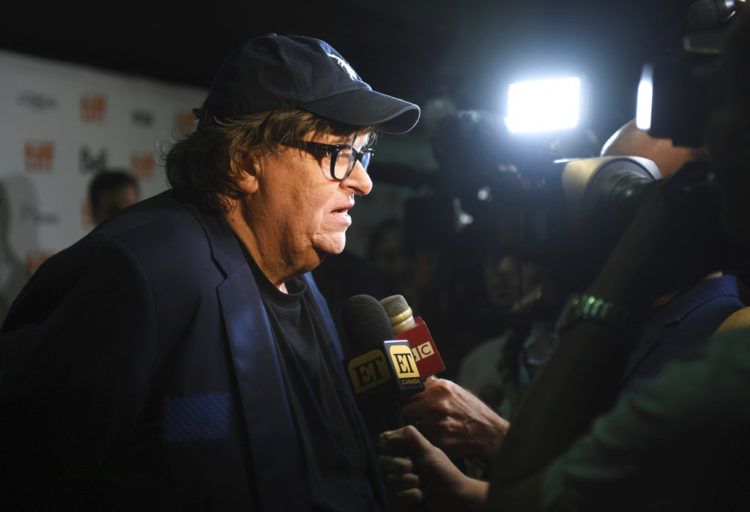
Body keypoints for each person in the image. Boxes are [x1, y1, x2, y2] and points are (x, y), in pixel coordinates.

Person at [0, 33, 419, 511]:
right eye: (339, 153)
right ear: (245, 161)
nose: (363, 181)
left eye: (363, 153)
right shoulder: (136, 274)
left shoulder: (301, 275)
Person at [379, 8, 750, 511]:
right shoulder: (627, 326)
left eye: (623, 190)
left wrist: (619, 278)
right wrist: (467, 494)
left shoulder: (730, 331)